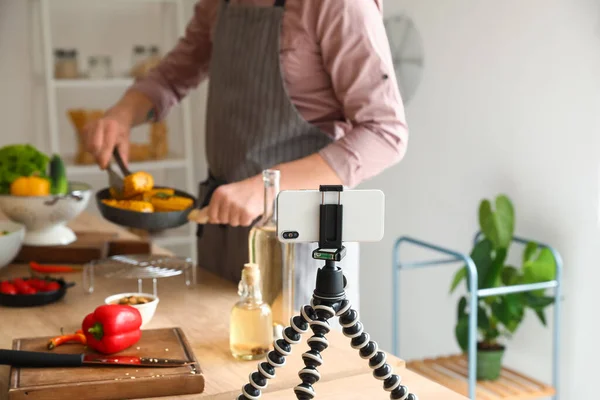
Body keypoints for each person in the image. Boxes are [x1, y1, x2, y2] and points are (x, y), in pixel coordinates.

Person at [83, 0, 408, 314]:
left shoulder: (337, 5)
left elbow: (385, 133)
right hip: (221, 231)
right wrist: (122, 114)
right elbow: (174, 73)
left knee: (298, 365)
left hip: (300, 242)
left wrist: (267, 188)